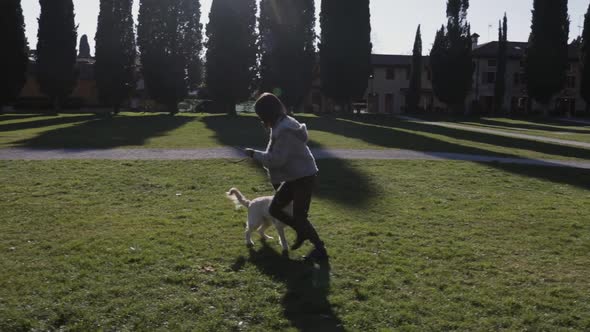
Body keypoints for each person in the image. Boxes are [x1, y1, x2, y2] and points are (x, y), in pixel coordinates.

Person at [245, 93, 328, 260]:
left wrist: (254, 154)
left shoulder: (284, 130)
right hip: (294, 176)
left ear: (267, 113)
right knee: (274, 209)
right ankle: (302, 231)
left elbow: (276, 160)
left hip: (304, 176)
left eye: (261, 115)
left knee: (299, 216)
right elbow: (275, 155)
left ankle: (320, 250)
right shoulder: (281, 124)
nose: (260, 119)